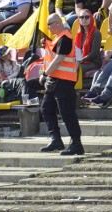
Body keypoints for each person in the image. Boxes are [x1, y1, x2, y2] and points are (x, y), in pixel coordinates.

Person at [39, 13, 84, 156]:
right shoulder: (58, 38)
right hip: (55, 80)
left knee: (67, 113)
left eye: (49, 25)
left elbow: (59, 59)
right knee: (46, 108)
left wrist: (45, 74)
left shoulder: (65, 38)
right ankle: (56, 140)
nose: (48, 28)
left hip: (64, 81)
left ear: (57, 24)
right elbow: (53, 53)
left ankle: (76, 144)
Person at [74, 9, 103, 74]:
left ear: (91, 18)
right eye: (81, 17)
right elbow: (77, 50)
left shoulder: (96, 33)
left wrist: (80, 60)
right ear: (79, 20)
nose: (84, 19)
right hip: (81, 60)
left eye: (87, 17)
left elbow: (94, 53)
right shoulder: (79, 34)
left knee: (75, 68)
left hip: (93, 62)